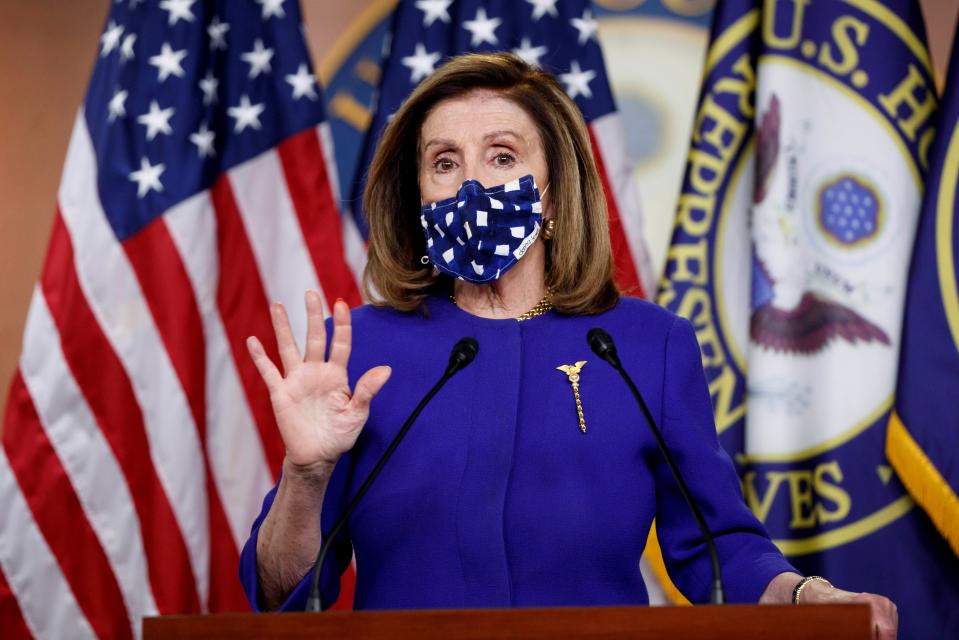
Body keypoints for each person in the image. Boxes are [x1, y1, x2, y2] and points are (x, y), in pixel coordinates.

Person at [239, 52, 897, 638]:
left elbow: (716, 547)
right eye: (444, 163)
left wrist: (812, 597)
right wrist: (306, 473)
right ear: (418, 198)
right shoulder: (365, 352)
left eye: (501, 156)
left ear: (554, 195)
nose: (472, 184)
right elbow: (282, 592)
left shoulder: (643, 345)